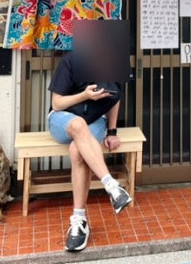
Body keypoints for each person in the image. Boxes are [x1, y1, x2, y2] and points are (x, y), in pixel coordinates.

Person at [48, 51, 132, 252]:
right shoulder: (71, 61)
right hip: (62, 119)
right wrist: (85, 95)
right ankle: (112, 186)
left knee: (78, 150)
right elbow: (57, 103)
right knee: (78, 125)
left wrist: (112, 131)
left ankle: (79, 221)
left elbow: (115, 98)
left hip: (95, 121)